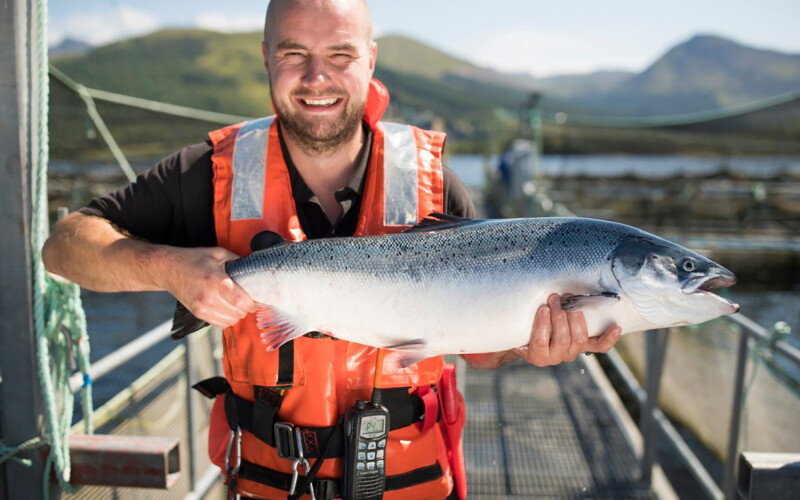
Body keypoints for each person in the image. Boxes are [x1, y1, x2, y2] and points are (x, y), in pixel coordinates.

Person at [42, 1, 621, 498]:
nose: (317, 77)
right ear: (267, 58)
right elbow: (65, 246)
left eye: (341, 55)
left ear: (370, 60)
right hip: (269, 481)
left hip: (408, 484)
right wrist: (168, 267)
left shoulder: (435, 182)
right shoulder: (208, 171)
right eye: (295, 54)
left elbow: (480, 351)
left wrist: (532, 344)